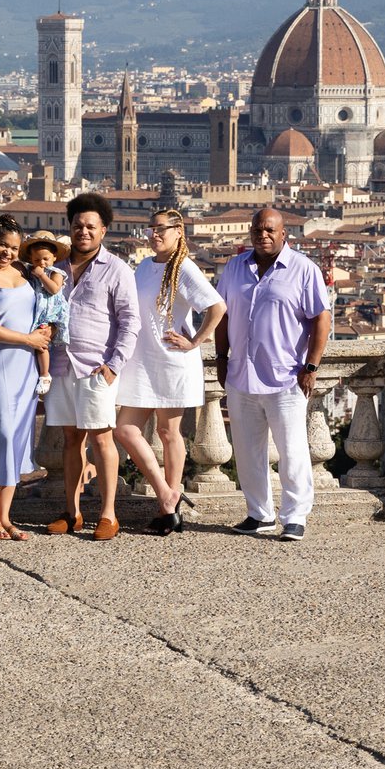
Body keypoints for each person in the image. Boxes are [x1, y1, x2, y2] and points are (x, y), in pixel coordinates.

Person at [213, 207, 331, 542]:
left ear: (283, 234)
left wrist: (311, 366)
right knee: (248, 451)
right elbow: (221, 315)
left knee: (292, 449)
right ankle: (259, 514)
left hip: (285, 376)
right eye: (257, 230)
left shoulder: (303, 270)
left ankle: (295, 517)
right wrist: (221, 357)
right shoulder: (235, 268)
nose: (262, 235)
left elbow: (321, 318)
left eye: (269, 230)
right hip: (241, 374)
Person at [116, 207, 225, 534]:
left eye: (162, 229)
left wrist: (195, 342)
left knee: (168, 433)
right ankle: (168, 495)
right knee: (125, 429)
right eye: (151, 228)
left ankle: (169, 509)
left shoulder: (185, 268)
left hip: (172, 359)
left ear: (179, 232)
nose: (154, 234)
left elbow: (217, 307)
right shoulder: (144, 267)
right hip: (143, 360)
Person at [44, 192, 140, 540]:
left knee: (101, 439)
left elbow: (130, 321)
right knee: (71, 439)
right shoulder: (56, 268)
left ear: (104, 231)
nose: (83, 231)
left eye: (90, 226)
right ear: (69, 229)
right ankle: (73, 513)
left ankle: (109, 515)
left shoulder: (117, 269)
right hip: (59, 366)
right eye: (77, 226)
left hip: (96, 367)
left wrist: (114, 365)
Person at [0, 215, 56, 540]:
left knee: (17, 437)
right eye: (2, 244)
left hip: (26, 366)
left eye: (14, 247)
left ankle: (5, 516)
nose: (7, 252)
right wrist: (29, 340)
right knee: (0, 435)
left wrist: (46, 330)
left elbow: (46, 305)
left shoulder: (23, 270)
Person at [20, 231, 70, 395]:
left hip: (49, 315)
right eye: (36, 260)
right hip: (36, 314)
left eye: (45, 259)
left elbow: (54, 289)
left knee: (41, 345)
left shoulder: (56, 273)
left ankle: (44, 374)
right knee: (34, 345)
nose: (41, 263)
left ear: (54, 257)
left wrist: (42, 275)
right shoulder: (31, 273)